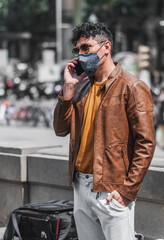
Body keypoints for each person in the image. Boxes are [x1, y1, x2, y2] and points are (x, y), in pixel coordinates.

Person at [53, 22, 155, 240]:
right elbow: (61, 130)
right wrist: (68, 88)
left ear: (106, 47)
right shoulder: (80, 87)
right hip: (81, 185)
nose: (81, 55)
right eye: (77, 50)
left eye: (86, 48)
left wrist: (126, 192)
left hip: (112, 190)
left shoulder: (132, 87)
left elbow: (146, 143)